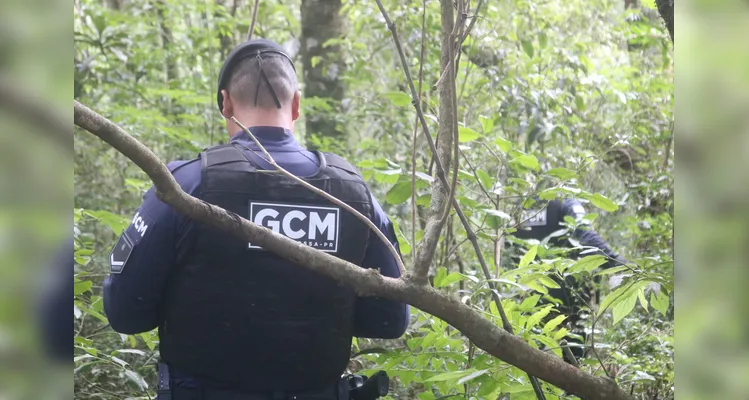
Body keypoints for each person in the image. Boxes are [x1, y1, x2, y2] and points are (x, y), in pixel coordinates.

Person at [103, 38, 409, 400]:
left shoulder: (185, 187)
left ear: (225, 103)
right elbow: (389, 319)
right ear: (296, 105)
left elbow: (125, 313)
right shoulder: (355, 197)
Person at [509, 197, 628, 363]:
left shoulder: (519, 206)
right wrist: (616, 262)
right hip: (568, 293)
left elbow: (510, 250)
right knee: (574, 358)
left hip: (528, 292)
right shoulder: (566, 202)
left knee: (529, 354)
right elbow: (585, 234)